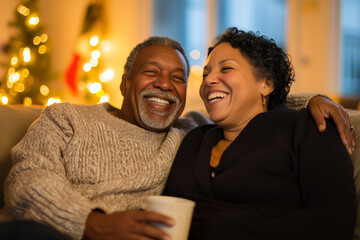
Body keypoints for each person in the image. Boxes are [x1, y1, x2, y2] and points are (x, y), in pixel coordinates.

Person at [0, 35, 354, 240]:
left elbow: (255, 110)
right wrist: (93, 223)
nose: (165, 84)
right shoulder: (67, 118)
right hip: (63, 231)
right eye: (150, 72)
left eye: (180, 78)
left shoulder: (185, 131)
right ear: (124, 83)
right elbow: (26, 179)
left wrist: (313, 100)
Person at [164, 27, 356, 240]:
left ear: (266, 83)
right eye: (206, 73)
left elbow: (333, 222)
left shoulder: (309, 129)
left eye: (226, 68)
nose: (208, 80)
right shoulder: (194, 139)